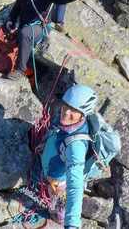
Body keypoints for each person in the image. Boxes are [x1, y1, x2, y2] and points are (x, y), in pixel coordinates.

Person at [5, 0, 84, 80]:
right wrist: (11, 20)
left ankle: (20, 71)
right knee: (0, 29)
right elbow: (16, 9)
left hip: (39, 28)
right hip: (24, 26)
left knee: (24, 33)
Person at [38, 84, 98, 228]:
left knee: (59, 213)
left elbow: (75, 189)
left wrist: (72, 225)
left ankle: (60, 218)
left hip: (59, 182)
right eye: (66, 106)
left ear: (82, 115)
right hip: (53, 168)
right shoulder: (70, 122)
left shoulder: (76, 147)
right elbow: (57, 133)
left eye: (73, 110)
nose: (66, 112)